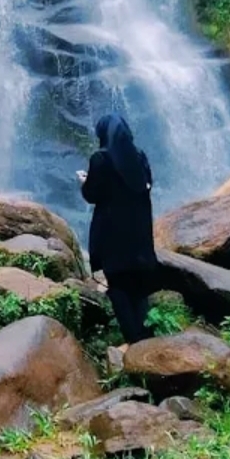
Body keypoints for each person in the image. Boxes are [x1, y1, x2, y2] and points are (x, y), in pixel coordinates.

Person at [78, 113, 158, 344]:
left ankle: (134, 342)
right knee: (138, 287)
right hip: (139, 232)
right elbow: (145, 185)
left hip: (113, 233)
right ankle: (146, 341)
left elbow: (92, 194)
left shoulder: (100, 159)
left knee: (118, 286)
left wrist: (84, 182)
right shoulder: (140, 156)